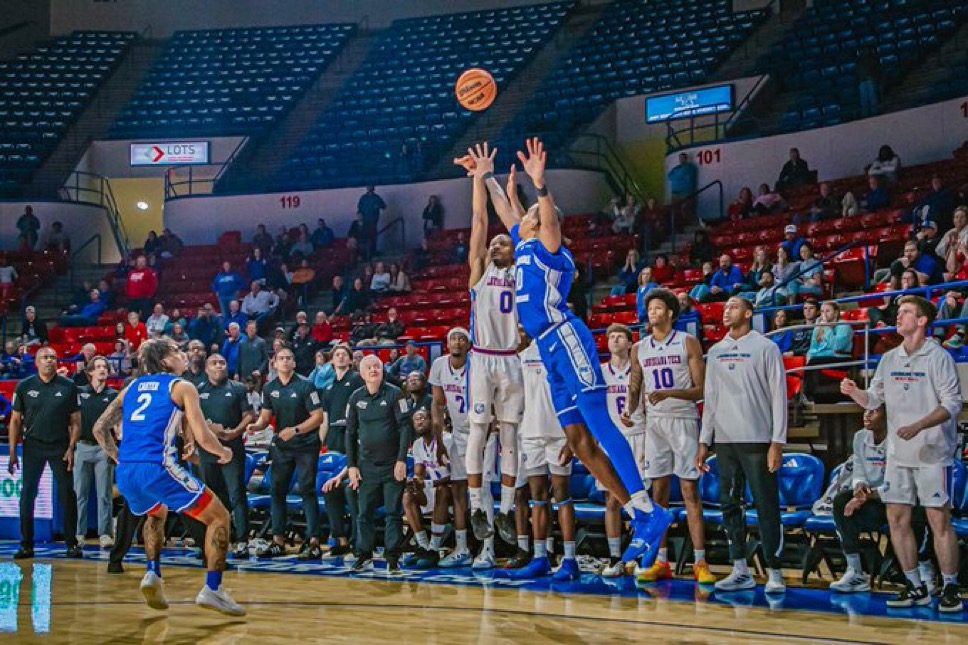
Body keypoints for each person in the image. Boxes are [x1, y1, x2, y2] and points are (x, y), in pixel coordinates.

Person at [461, 139, 671, 567]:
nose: (523, 218)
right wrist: (485, 176)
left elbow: (548, 219)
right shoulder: (524, 244)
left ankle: (647, 507)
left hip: (567, 338)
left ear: (541, 223)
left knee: (599, 424)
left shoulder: (551, 250)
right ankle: (640, 515)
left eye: (531, 216)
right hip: (547, 349)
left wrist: (540, 187)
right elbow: (503, 210)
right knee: (578, 442)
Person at [90, 338, 244, 615]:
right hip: (158, 468)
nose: (182, 354)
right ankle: (213, 589)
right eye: (176, 351)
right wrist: (223, 452)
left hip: (127, 472)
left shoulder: (131, 388)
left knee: (156, 513)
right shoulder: (182, 386)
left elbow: (99, 428)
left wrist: (118, 457)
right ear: (163, 361)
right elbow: (203, 436)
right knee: (219, 517)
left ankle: (152, 573)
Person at [840, 296, 963, 612]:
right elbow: (874, 400)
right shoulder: (889, 359)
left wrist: (919, 425)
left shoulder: (938, 357)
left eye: (906, 311)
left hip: (933, 453)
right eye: (899, 311)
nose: (899, 315)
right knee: (896, 518)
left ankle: (950, 587)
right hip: (898, 453)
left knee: (938, 521)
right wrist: (855, 393)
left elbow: (952, 404)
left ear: (922, 321)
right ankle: (914, 585)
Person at [460, 148, 525, 561]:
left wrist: (510, 194)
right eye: (494, 244)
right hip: (483, 358)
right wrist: (478, 179)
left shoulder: (522, 271)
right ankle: (476, 508)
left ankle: (505, 510)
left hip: (511, 359)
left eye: (504, 242)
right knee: (479, 431)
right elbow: (480, 220)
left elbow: (520, 228)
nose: (497, 244)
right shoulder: (479, 273)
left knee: (511, 433)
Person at [700, 296, 787, 594]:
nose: (727, 311)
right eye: (725, 308)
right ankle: (740, 569)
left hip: (758, 438)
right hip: (725, 441)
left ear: (749, 313)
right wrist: (704, 440)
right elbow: (710, 398)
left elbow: (778, 396)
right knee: (729, 505)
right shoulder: (715, 351)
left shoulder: (766, 347)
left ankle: (775, 571)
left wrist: (777, 441)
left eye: (734, 307)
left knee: (766, 505)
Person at [627, 293, 714, 584]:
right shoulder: (639, 348)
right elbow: (635, 386)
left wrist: (670, 393)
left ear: (671, 314)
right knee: (658, 494)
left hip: (683, 420)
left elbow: (701, 389)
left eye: (658, 308)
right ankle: (660, 560)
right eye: (650, 308)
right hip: (655, 424)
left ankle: (700, 561)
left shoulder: (687, 342)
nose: (652, 312)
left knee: (690, 491)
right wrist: (629, 411)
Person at [506, 333, 579, 581]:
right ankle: (539, 557)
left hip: (559, 433)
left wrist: (572, 439)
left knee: (562, 495)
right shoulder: (522, 356)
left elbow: (574, 394)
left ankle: (570, 559)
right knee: (537, 497)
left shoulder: (561, 350)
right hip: (530, 433)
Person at [245, 346, 325, 559]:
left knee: (307, 489)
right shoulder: (269, 387)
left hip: (306, 444)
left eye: (289, 358)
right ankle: (277, 541)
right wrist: (256, 426)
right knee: (276, 490)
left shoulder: (306, 385)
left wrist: (296, 430)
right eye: (281, 358)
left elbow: (318, 417)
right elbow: (265, 418)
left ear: (294, 363)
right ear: (275, 363)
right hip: (283, 445)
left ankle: (314, 541)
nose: (285, 361)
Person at [8, 346, 83, 560]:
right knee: (27, 494)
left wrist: (71, 447)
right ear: (36, 362)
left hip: (60, 446)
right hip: (33, 446)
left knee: (67, 494)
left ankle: (72, 543)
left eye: (53, 357)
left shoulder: (68, 386)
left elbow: (76, 422)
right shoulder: (24, 386)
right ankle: (26, 545)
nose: (49, 360)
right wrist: (13, 452)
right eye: (45, 357)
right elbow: (15, 421)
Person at [428, 327, 494, 568]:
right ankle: (462, 548)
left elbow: (494, 398)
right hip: (457, 434)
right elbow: (437, 406)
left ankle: (488, 549)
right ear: (447, 344)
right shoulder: (439, 365)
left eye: (461, 339)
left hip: (482, 431)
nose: (456, 342)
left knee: (482, 489)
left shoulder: (479, 364)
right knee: (458, 489)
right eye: (452, 339)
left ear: (469, 344)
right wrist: (439, 442)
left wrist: (489, 432)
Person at [345, 355, 409, 573]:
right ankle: (364, 555)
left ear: (383, 371)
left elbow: (405, 428)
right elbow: (350, 433)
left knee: (393, 512)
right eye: (369, 367)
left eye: (377, 367)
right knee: (364, 514)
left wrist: (401, 460)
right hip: (366, 466)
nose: (373, 370)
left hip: (392, 465)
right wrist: (352, 466)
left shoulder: (395, 394)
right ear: (362, 373)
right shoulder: (355, 398)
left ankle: (393, 558)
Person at [196, 353, 255, 559]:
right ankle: (215, 539)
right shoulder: (198, 390)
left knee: (237, 494)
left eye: (222, 363)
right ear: (206, 369)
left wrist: (235, 432)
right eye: (214, 363)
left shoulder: (238, 388)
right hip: (207, 450)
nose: (219, 366)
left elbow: (249, 415)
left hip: (233, 448)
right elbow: (190, 419)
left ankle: (242, 541)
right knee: (212, 496)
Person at [318, 344, 362, 557]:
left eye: (345, 354)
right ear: (331, 360)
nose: (341, 357)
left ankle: (358, 538)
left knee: (351, 488)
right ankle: (340, 538)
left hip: (354, 439)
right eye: (337, 354)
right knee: (331, 487)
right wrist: (320, 443)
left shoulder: (357, 380)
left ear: (351, 360)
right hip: (335, 439)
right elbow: (325, 419)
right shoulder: (328, 388)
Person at [72, 356, 118, 549]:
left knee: (104, 494)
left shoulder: (113, 395)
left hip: (103, 448)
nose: (102, 369)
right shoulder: (79, 392)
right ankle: (78, 534)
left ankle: (105, 534)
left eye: (104, 366)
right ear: (90, 371)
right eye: (98, 366)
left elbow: (118, 423)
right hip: (82, 446)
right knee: (79, 494)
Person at [403, 408, 452, 568]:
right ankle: (423, 546)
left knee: (442, 490)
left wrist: (428, 484)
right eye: (416, 420)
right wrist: (414, 482)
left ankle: (434, 547)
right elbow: (420, 474)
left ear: (432, 421)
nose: (419, 422)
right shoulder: (418, 444)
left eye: (423, 418)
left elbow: (457, 476)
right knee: (408, 495)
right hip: (434, 487)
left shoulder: (447, 440)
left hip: (454, 491)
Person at [803, 301, 853, 403]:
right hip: (821, 358)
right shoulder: (818, 327)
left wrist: (827, 327)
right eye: (822, 311)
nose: (824, 314)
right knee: (810, 362)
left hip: (840, 357)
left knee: (814, 363)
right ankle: (813, 396)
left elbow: (837, 346)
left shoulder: (844, 326)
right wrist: (810, 355)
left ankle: (810, 395)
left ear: (836, 313)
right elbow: (813, 347)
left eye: (827, 311)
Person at [357, 186, 386, 258]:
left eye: (371, 187)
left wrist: (378, 206)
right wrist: (360, 218)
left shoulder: (376, 198)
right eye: (368, 187)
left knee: (373, 236)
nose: (370, 188)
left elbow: (384, 206)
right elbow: (359, 209)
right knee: (365, 237)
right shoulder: (363, 198)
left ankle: (373, 251)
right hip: (364, 221)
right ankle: (365, 253)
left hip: (373, 221)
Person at [126, 256, 158, 320]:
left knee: (146, 318)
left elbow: (154, 285)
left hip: (144, 299)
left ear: (146, 262)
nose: (140, 263)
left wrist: (149, 296)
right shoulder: (131, 273)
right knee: (132, 318)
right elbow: (128, 285)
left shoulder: (149, 272)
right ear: (136, 262)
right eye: (139, 261)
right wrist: (129, 295)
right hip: (132, 300)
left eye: (142, 261)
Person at [667, 152, 697, 220]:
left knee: (686, 210)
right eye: (680, 158)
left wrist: (676, 175)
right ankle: (677, 223)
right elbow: (669, 176)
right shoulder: (677, 167)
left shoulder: (690, 167)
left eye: (682, 158)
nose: (680, 159)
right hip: (675, 193)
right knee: (675, 211)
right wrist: (677, 175)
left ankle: (687, 223)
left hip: (685, 193)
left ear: (686, 159)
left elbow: (679, 175)